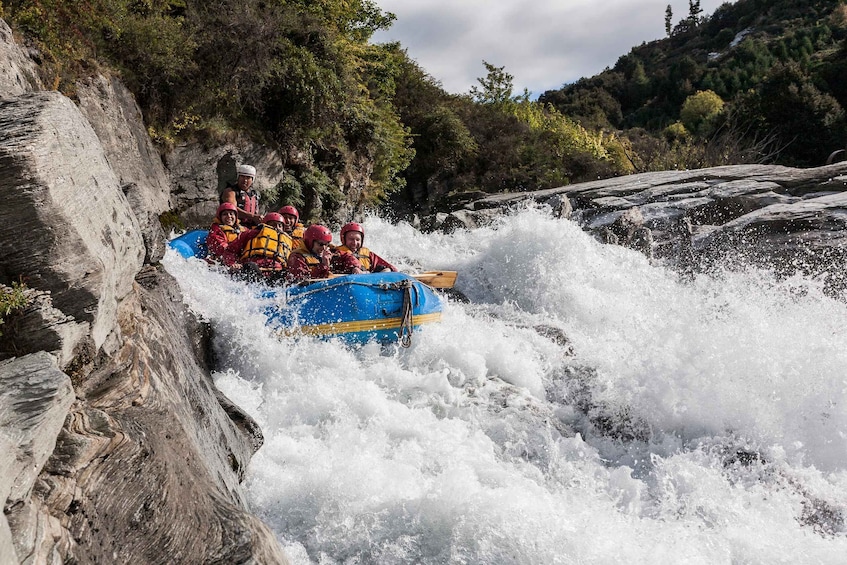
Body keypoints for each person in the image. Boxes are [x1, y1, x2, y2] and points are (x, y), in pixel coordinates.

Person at [223, 212, 293, 283]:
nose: (277, 228)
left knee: (287, 273)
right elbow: (230, 250)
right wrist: (232, 264)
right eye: (273, 225)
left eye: (280, 225)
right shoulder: (251, 234)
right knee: (250, 266)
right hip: (255, 268)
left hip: (275, 272)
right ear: (265, 225)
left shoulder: (287, 241)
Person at [286, 225, 359, 283]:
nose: (324, 248)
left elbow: (347, 256)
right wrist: (324, 266)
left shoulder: (330, 251)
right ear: (310, 242)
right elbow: (302, 282)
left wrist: (355, 267)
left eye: (326, 244)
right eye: (320, 244)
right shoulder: (297, 257)